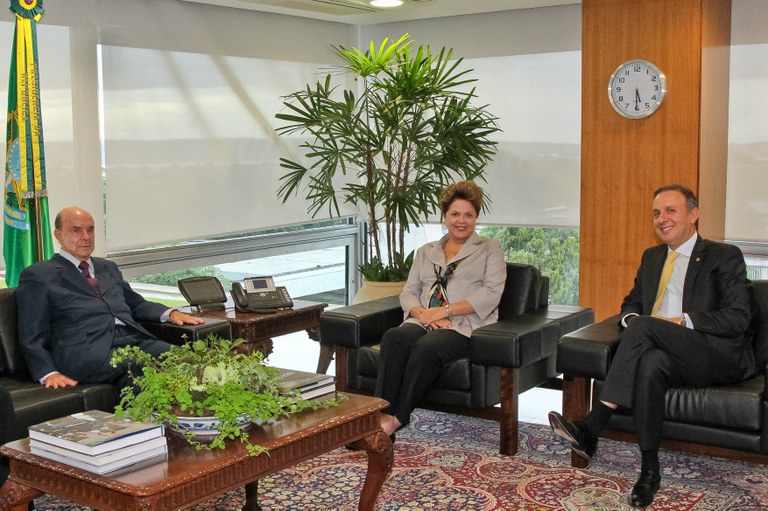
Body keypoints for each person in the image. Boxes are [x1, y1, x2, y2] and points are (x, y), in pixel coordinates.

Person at [548, 184, 755, 508]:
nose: (661, 219)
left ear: (693, 214)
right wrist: (632, 321)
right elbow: (631, 304)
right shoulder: (652, 257)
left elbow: (738, 317)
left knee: (645, 326)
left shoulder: (723, 256)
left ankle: (593, 425)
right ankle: (649, 471)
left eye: (670, 210)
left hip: (713, 353)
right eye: (657, 213)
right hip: (663, 353)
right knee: (649, 362)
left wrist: (681, 321)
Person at [16, 206, 205, 390]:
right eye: (76, 230)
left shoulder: (108, 267)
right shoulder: (39, 275)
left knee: (187, 359)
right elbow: (32, 334)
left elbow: (135, 303)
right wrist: (47, 372)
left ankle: (187, 410)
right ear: (58, 235)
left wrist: (169, 313)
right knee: (139, 365)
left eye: (90, 230)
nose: (86, 237)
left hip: (132, 340)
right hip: (84, 351)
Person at [376, 180, 506, 438]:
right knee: (394, 337)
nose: (461, 221)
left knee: (428, 347)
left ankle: (398, 419)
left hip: (464, 326)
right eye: (455, 214)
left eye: (468, 215)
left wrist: (443, 312)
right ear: (444, 216)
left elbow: (491, 293)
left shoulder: (490, 249)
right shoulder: (426, 251)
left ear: (476, 217)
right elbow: (409, 292)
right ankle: (383, 416)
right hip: (423, 319)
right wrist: (424, 314)